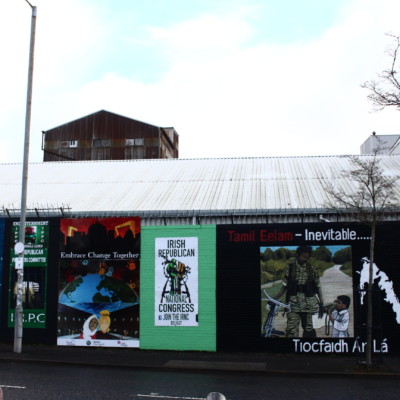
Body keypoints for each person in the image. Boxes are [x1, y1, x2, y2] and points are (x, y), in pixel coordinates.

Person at [274, 246, 324, 338]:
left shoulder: (312, 269)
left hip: (309, 305)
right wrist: (275, 298)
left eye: (307, 257)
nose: (305, 259)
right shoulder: (290, 268)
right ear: (297, 255)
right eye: (303, 257)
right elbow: (284, 286)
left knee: (309, 329)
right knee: (291, 330)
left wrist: (321, 304)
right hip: (293, 305)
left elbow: (318, 288)